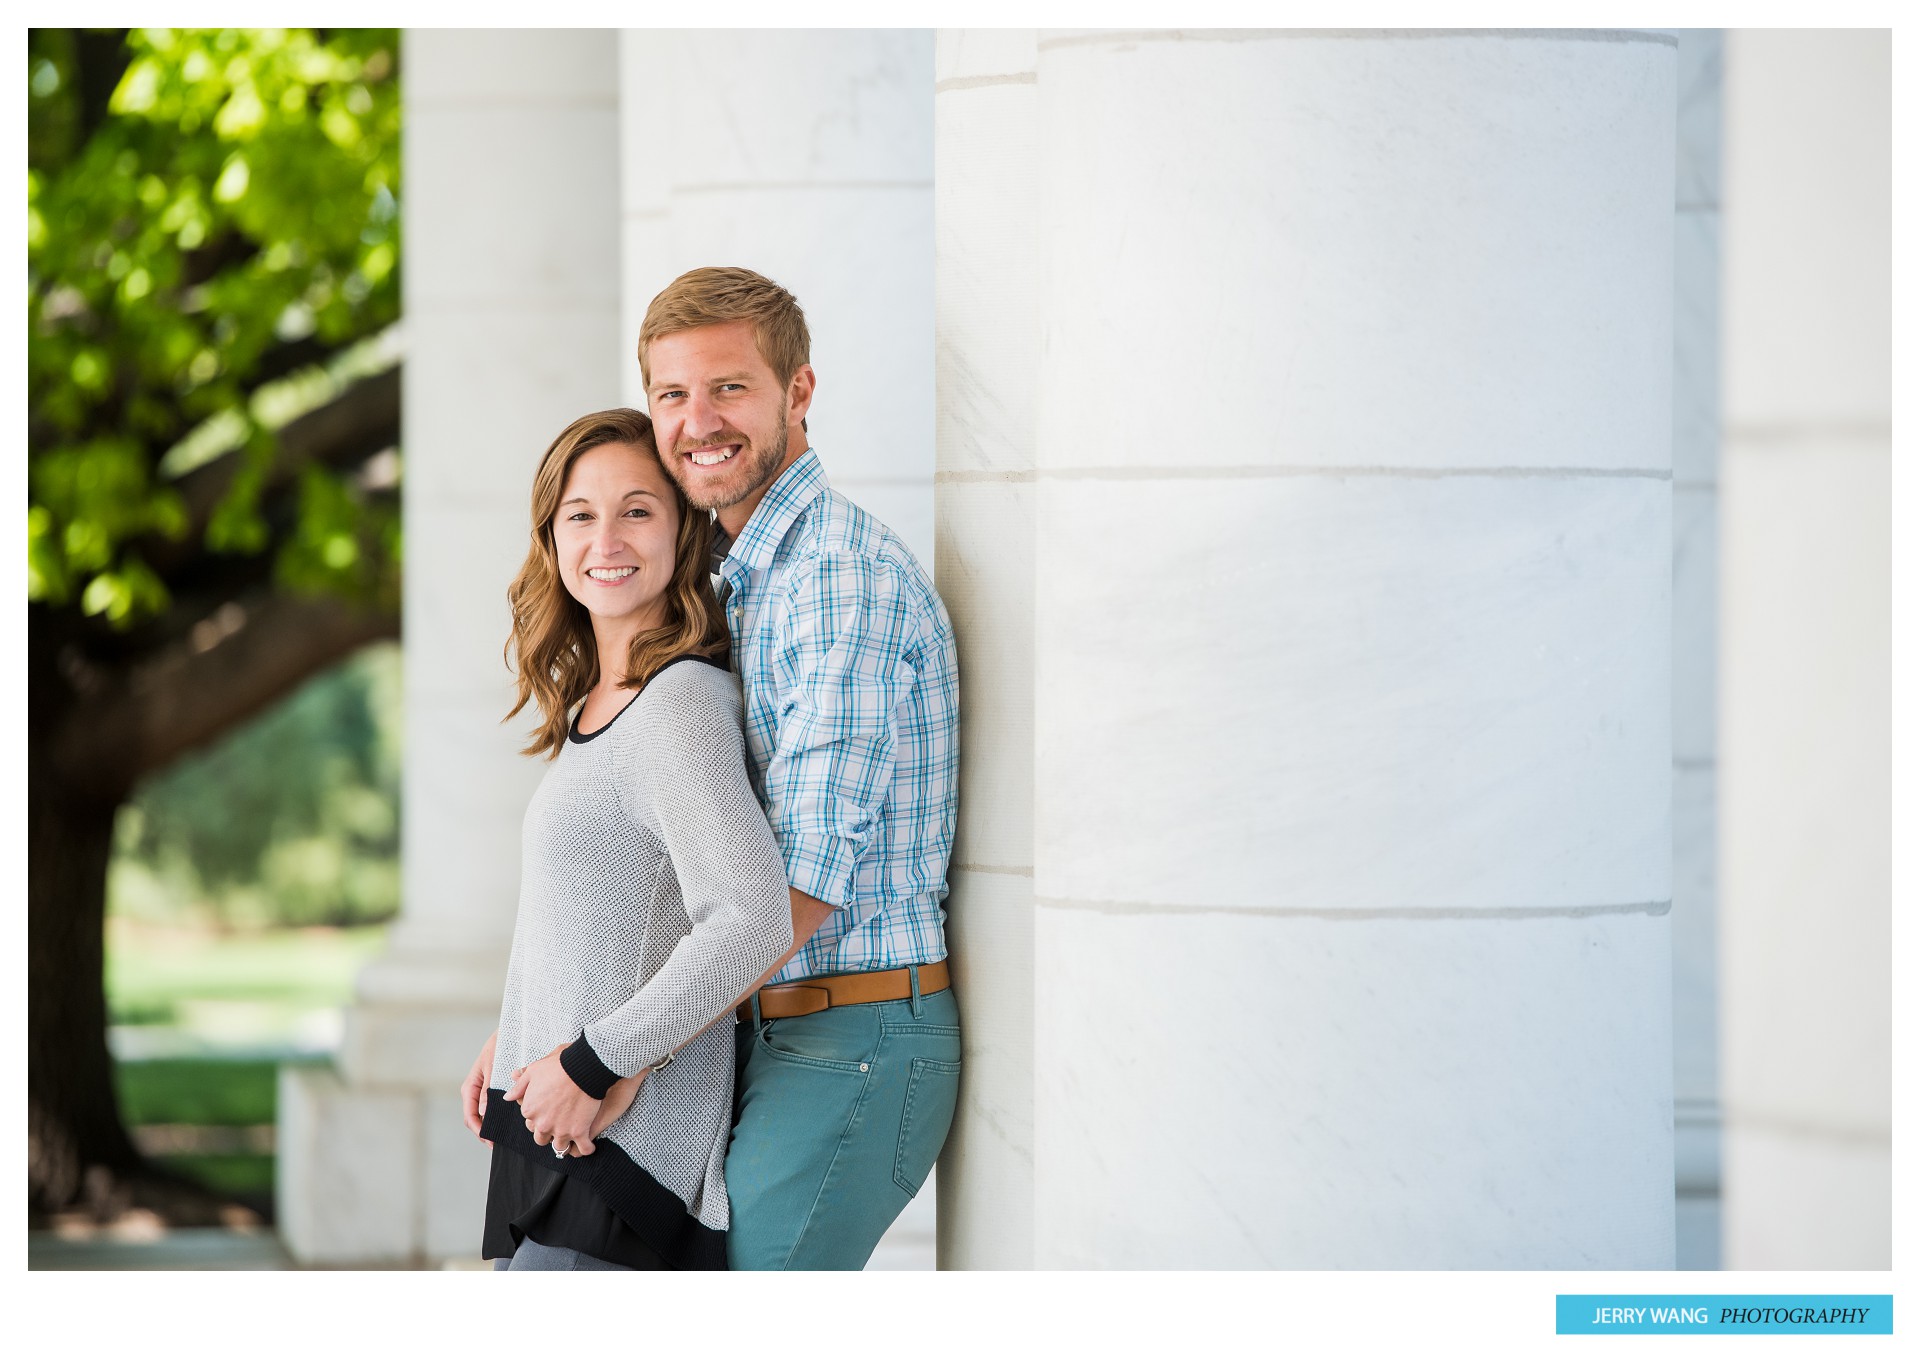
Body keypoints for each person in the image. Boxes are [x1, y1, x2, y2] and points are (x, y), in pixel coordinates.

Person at [637, 266, 963, 1270]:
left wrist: (629, 1047)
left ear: (799, 392)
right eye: (673, 394)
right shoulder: (745, 575)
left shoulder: (835, 578)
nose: (700, 420)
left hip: (852, 1040)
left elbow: (809, 879)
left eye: (730, 387)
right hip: (776, 1031)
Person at [457, 407, 796, 1271]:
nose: (606, 537)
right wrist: (515, 1027)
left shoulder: (678, 704)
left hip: (618, 1150)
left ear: (683, 529)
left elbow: (750, 918)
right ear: (551, 536)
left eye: (638, 509)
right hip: (553, 1132)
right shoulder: (597, 703)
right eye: (581, 513)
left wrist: (598, 1060)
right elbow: (604, 908)